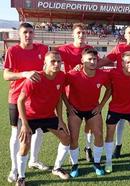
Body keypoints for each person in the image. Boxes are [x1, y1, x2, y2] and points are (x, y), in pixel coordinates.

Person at [16, 51, 70, 186]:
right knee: (24, 146)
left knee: (66, 138)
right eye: (53, 61)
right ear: (44, 63)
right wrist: (24, 124)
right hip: (30, 117)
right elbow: (20, 101)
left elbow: (58, 98)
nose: (57, 64)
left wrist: (60, 119)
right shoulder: (35, 78)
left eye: (59, 61)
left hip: (49, 116)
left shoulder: (61, 76)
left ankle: (57, 168)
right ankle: (21, 177)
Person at [3, 22, 49, 183]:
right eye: (25, 33)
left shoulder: (43, 49)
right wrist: (25, 74)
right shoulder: (12, 51)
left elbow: (51, 64)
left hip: (37, 98)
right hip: (17, 98)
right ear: (20, 35)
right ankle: (14, 168)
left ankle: (34, 160)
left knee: (39, 131)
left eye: (30, 32)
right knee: (17, 133)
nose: (28, 35)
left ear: (34, 33)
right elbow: (6, 75)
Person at [98, 25, 130, 158]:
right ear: (125, 35)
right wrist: (90, 65)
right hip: (121, 91)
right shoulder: (120, 48)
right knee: (120, 120)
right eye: (129, 32)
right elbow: (106, 60)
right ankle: (118, 145)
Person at [63, 48, 111, 177]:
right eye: (89, 59)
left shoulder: (102, 75)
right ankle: (75, 165)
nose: (92, 61)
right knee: (73, 138)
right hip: (75, 110)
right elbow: (61, 88)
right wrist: (68, 106)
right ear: (82, 61)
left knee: (99, 135)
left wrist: (101, 105)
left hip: (93, 110)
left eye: (95, 59)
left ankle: (96, 163)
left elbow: (109, 89)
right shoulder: (73, 74)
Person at [57, 23, 95, 162]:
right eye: (78, 32)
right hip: (72, 96)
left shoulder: (90, 49)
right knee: (74, 131)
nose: (81, 35)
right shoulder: (63, 49)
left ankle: (88, 148)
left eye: (83, 33)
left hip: (89, 95)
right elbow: (51, 60)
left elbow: (96, 65)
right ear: (73, 34)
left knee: (90, 127)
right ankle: (74, 160)